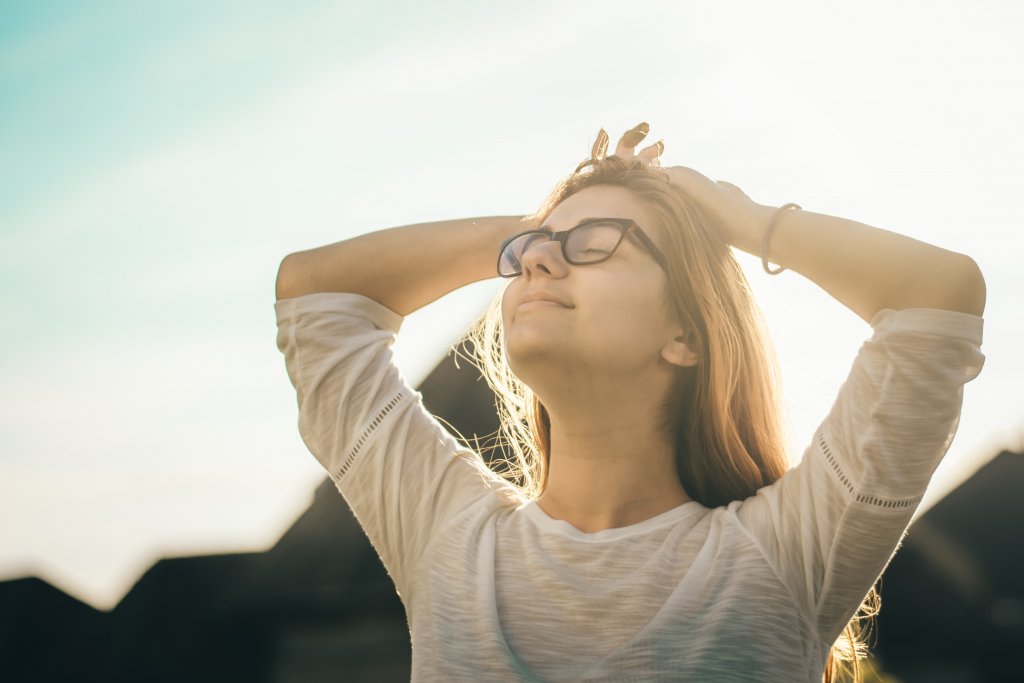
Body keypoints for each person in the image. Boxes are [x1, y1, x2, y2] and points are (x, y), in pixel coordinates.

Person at [274, 123, 986, 682]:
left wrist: (741, 219)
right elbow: (314, 293)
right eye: (529, 253)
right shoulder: (448, 536)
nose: (538, 261)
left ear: (685, 332)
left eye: (596, 244)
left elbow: (937, 297)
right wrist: (539, 224)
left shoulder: (784, 552)